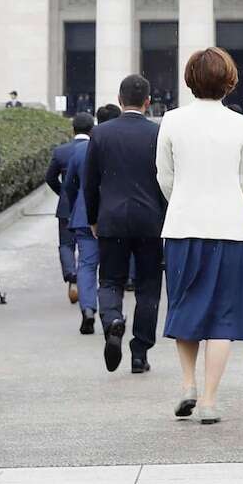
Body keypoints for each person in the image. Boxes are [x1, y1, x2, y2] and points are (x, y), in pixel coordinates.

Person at [156, 47, 243, 425]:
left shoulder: (171, 120)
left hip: (183, 224)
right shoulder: (241, 124)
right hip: (230, 227)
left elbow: (164, 176)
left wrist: (182, 199)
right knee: (223, 316)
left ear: (190, 79)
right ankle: (211, 400)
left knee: (185, 305)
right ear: (229, 80)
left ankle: (187, 384)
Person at [83, 74, 167, 375]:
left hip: (112, 219)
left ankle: (113, 321)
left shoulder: (101, 134)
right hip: (150, 221)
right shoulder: (158, 133)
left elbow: (89, 183)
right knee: (148, 287)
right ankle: (139, 352)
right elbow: (166, 182)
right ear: (148, 101)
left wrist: (93, 217)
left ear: (119, 100)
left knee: (109, 280)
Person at [45, 114, 94, 305]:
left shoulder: (61, 151)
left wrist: (63, 193)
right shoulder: (95, 149)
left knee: (66, 244)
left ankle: (71, 275)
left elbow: (50, 178)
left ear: (72, 130)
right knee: (88, 248)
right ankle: (84, 279)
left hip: (66, 205)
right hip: (89, 206)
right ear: (92, 130)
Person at [62, 113, 101, 334]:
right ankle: (110, 315)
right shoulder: (109, 147)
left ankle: (87, 310)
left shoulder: (78, 151)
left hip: (84, 215)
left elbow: (69, 185)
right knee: (110, 270)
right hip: (110, 216)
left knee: (86, 265)